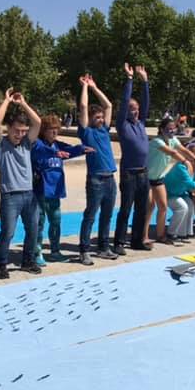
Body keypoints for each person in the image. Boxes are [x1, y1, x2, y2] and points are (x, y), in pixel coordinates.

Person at [0, 89, 42, 279]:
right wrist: (6, 101)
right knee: (8, 232)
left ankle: (28, 261)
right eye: (16, 130)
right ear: (9, 128)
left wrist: (23, 103)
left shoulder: (27, 143)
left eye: (23, 131)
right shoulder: (0, 144)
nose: (19, 134)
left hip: (29, 194)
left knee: (33, 230)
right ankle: (1, 264)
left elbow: (37, 122)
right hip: (10, 195)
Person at [31, 115, 91, 265]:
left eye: (56, 129)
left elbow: (70, 149)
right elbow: (40, 150)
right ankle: (36, 252)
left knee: (56, 221)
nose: (54, 132)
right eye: (51, 129)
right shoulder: (37, 144)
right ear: (43, 131)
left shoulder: (57, 145)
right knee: (39, 222)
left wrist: (82, 149)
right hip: (40, 191)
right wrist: (55, 153)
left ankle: (55, 250)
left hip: (55, 191)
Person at [77, 74, 118, 265]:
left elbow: (108, 105)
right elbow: (83, 106)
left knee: (107, 215)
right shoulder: (86, 132)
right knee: (90, 215)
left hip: (110, 178)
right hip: (96, 180)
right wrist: (85, 87)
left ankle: (103, 248)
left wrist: (94, 87)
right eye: (97, 117)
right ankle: (84, 250)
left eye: (102, 117)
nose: (101, 120)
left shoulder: (104, 130)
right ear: (90, 119)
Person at [114, 63, 152, 255]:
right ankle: (119, 242)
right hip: (129, 173)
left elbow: (146, 103)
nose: (135, 111)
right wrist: (130, 79)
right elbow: (124, 102)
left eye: (136, 108)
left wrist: (144, 81)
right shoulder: (122, 125)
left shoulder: (141, 123)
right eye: (131, 108)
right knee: (126, 209)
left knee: (142, 209)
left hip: (143, 172)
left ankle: (137, 240)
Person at [146, 117, 195, 245]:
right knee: (149, 208)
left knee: (163, 207)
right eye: (168, 129)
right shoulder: (157, 141)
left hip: (158, 179)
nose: (172, 131)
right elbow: (172, 153)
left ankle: (161, 235)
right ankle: (144, 236)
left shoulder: (173, 140)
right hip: (146, 179)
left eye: (173, 129)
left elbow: (183, 150)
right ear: (161, 129)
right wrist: (185, 161)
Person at [164, 160, 195, 242]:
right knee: (182, 207)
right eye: (194, 155)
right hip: (169, 193)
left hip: (181, 193)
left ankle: (184, 233)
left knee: (190, 205)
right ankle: (171, 232)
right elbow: (191, 185)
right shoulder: (180, 167)